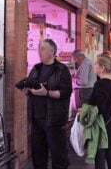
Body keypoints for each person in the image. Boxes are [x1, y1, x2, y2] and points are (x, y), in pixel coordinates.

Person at [21, 39, 72, 168]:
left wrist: (47, 93)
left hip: (54, 120)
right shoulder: (36, 68)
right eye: (39, 48)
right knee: (38, 156)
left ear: (52, 51)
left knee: (58, 156)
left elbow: (65, 93)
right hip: (36, 120)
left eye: (43, 48)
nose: (39, 51)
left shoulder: (62, 70)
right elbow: (33, 88)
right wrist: (27, 91)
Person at [89, 53, 111, 169]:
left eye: (95, 64)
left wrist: (84, 111)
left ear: (102, 67)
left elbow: (99, 108)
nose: (94, 66)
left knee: (100, 158)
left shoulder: (100, 84)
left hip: (100, 126)